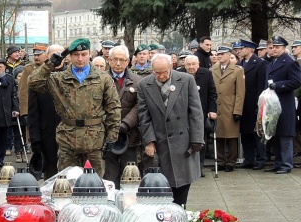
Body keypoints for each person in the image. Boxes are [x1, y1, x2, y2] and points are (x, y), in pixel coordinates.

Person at [29, 38, 121, 176]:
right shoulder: (58, 79)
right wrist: (50, 64)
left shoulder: (103, 79)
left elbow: (113, 108)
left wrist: (112, 136)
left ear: (90, 54)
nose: (80, 59)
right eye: (76, 55)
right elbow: (33, 82)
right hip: (68, 139)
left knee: (94, 185)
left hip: (94, 140)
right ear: (69, 57)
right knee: (67, 183)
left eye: (84, 54)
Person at [137, 53, 204, 206]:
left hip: (183, 142)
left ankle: (181, 213)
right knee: (163, 186)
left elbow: (196, 111)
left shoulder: (186, 80)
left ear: (171, 67)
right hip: (161, 142)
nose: (161, 76)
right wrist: (149, 141)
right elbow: (144, 116)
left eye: (164, 72)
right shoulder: (144, 85)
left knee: (182, 185)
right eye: (157, 73)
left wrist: (197, 139)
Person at [103, 45, 142, 189]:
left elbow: (140, 106)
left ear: (128, 61)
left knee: (130, 176)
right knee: (109, 177)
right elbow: (95, 106)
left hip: (130, 135)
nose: (118, 63)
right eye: (115, 60)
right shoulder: (99, 79)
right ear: (109, 60)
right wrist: (111, 125)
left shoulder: (138, 81)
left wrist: (125, 124)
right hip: (106, 135)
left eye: (122, 60)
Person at [263, 36, 301, 174]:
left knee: (285, 136)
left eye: (277, 47)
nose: (274, 50)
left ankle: (286, 164)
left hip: (284, 104)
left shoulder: (290, 63)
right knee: (276, 134)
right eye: (273, 47)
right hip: (273, 104)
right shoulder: (272, 62)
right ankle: (278, 163)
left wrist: (278, 85)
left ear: (284, 48)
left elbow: (296, 81)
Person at [28, 44, 65, 180]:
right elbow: (33, 113)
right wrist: (35, 140)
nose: (58, 58)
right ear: (47, 57)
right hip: (47, 135)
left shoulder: (71, 76)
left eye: (61, 55)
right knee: (51, 175)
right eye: (53, 55)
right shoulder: (37, 79)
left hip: (69, 135)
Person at [179, 55, 217, 177]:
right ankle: (184, 168)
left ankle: (198, 168)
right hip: (182, 114)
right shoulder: (178, 74)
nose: (191, 67)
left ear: (198, 64)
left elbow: (212, 94)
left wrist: (212, 110)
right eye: (188, 64)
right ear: (184, 65)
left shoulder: (206, 74)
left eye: (193, 64)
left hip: (201, 113)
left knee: (200, 141)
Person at [212, 45, 246, 172]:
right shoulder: (213, 69)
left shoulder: (237, 70)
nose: (219, 56)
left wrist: (237, 110)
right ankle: (220, 161)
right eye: (218, 54)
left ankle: (231, 162)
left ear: (228, 55)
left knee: (231, 136)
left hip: (230, 107)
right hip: (217, 107)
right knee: (218, 135)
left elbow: (240, 93)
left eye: (222, 54)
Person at [237, 39, 268, 170]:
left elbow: (262, 85)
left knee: (257, 134)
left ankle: (261, 159)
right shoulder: (241, 63)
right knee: (245, 133)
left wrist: (259, 104)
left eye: (242, 48)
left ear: (250, 49)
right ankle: (248, 159)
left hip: (255, 104)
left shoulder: (260, 64)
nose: (239, 50)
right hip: (243, 104)